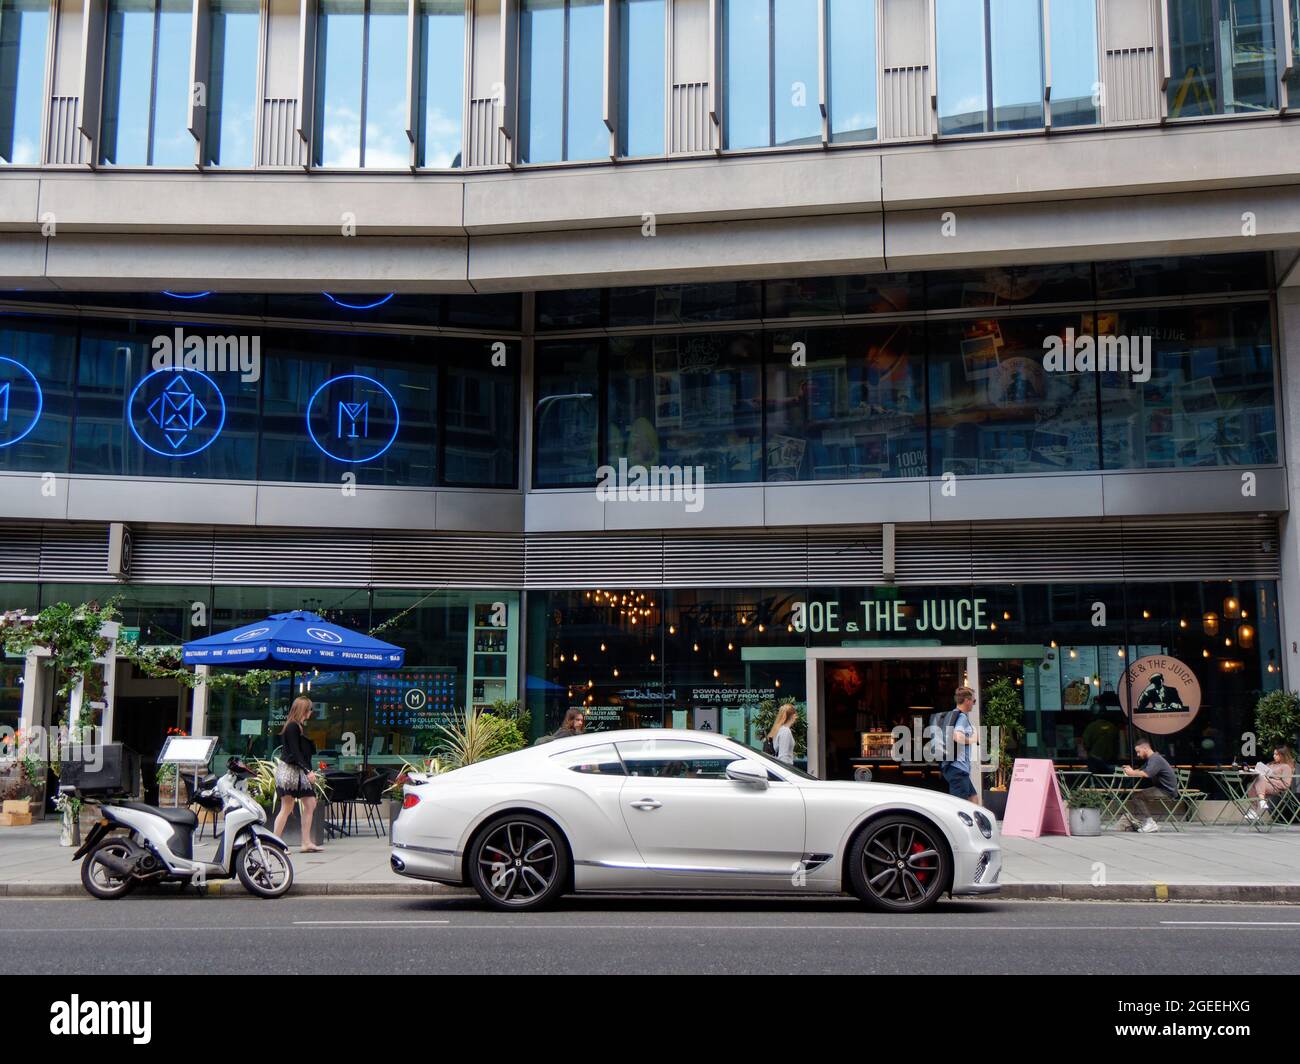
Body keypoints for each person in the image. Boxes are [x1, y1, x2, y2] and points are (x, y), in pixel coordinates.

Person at [273, 697, 322, 853]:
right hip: (290, 772)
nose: (311, 712)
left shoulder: (297, 726)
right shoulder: (293, 727)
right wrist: (308, 771)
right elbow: (295, 752)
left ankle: (306, 842)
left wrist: (306, 770)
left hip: (297, 771)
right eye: (310, 709)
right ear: (304, 710)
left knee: (310, 803)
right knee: (287, 806)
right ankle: (275, 843)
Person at [1120, 738, 1179, 833]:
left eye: (1138, 752)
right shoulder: (1152, 759)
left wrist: (1131, 773)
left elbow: (1147, 774)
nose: (1138, 755)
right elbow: (1141, 771)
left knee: (1137, 796)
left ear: (1145, 748)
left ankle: (1150, 823)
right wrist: (1131, 771)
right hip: (1161, 788)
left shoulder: (1155, 759)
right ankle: (1148, 821)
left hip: (1167, 791)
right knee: (1138, 795)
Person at [940, 687, 980, 806]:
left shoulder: (952, 714)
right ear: (967, 700)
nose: (974, 703)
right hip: (958, 769)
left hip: (956, 768)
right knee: (960, 806)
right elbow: (957, 736)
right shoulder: (961, 717)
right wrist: (973, 739)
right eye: (974, 701)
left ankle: (976, 824)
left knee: (973, 797)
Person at [1246, 746, 1295, 821]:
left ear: (1282, 755)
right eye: (1274, 754)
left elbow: (1286, 784)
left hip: (1276, 788)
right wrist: (1252, 771)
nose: (1274, 756)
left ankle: (1258, 806)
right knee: (1252, 783)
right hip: (1263, 785)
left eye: (1276, 754)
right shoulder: (1270, 764)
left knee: (1260, 779)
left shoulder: (1286, 767)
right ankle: (1258, 806)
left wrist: (1268, 780)